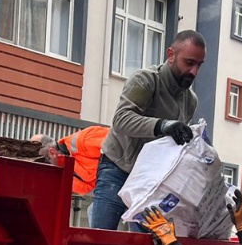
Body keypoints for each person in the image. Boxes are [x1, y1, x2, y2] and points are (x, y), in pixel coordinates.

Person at [88, 32, 207, 230]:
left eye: (199, 65)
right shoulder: (145, 80)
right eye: (189, 62)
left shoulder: (190, 100)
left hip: (150, 182)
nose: (194, 71)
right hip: (117, 170)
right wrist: (163, 125)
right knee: (100, 240)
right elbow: (121, 120)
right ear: (171, 55)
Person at [55, 124, 108, 227]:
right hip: (116, 189)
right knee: (94, 211)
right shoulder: (67, 175)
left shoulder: (85, 139)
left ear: (52, 152)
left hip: (131, 175)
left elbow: (121, 146)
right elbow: (93, 191)